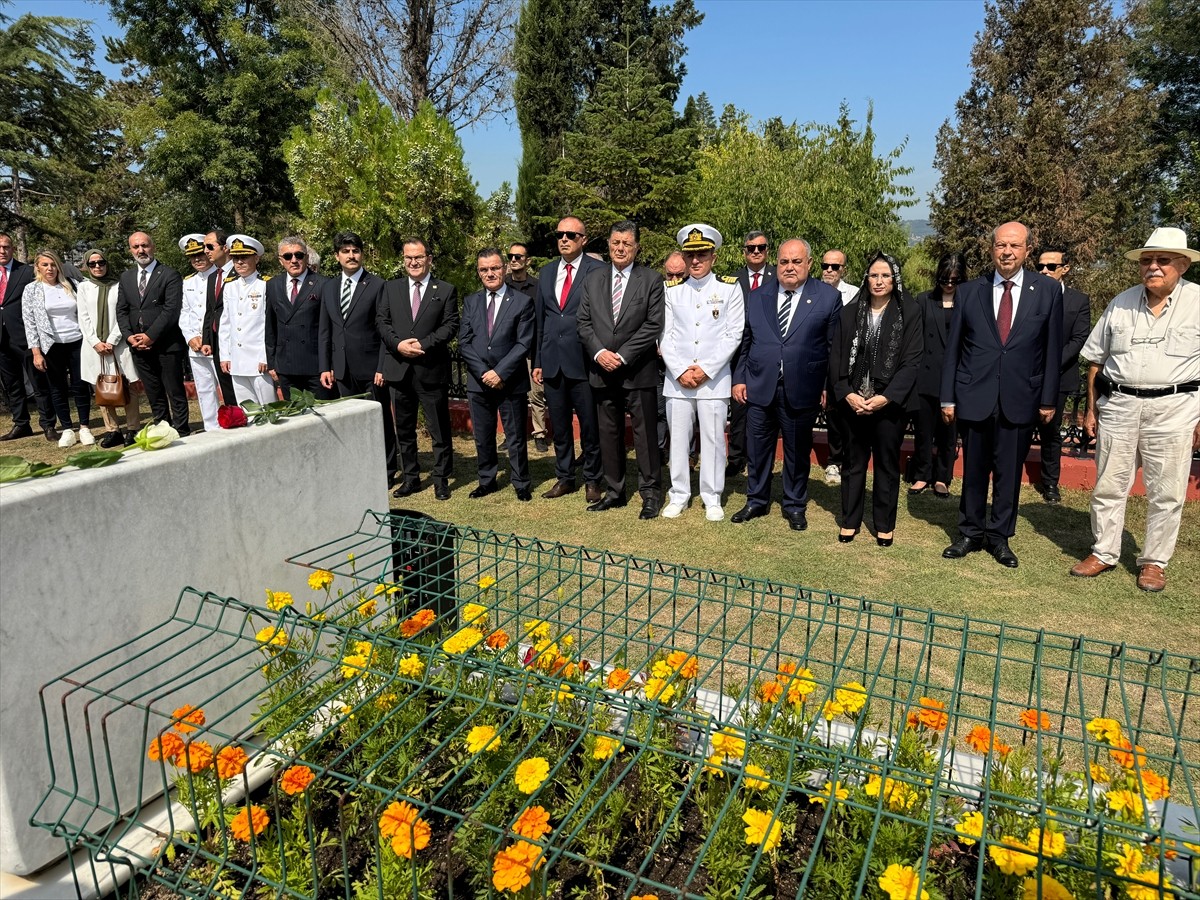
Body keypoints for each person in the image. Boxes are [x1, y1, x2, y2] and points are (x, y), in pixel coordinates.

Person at [1070, 227, 1200, 593]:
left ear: (1183, 265)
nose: (1153, 267)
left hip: (1174, 409)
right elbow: (1096, 361)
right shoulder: (1121, 302)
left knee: (1167, 492)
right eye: (1146, 260)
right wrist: (1092, 409)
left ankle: (1154, 562)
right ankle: (1104, 551)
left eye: (1163, 260)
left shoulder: (1198, 303)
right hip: (1119, 406)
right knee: (1109, 485)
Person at [941, 221, 1063, 569]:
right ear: (991, 249)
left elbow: (1052, 349)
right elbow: (954, 349)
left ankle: (999, 537)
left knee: (1009, 474)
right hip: (975, 395)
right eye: (1000, 245)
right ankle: (969, 532)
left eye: (1014, 246)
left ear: (1027, 250)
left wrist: (1048, 399)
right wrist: (948, 397)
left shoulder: (1047, 290)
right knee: (974, 470)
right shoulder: (969, 291)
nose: (1007, 252)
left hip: (1020, 396)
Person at [731, 239, 842, 531]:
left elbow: (834, 349)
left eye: (796, 261)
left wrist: (828, 386)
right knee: (757, 449)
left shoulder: (827, 297)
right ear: (776, 264)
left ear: (809, 263)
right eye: (784, 262)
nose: (789, 267)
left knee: (796, 451)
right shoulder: (758, 296)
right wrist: (739, 378)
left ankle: (794, 505)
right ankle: (756, 500)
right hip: (759, 385)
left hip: (803, 386)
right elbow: (746, 341)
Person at [830, 253, 922, 545]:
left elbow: (912, 362)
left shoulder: (910, 313)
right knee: (853, 462)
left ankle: (884, 524)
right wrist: (847, 393)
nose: (879, 281)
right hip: (854, 402)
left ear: (895, 279)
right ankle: (850, 520)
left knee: (886, 464)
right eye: (873, 275)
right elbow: (835, 357)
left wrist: (887, 397)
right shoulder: (849, 312)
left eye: (885, 276)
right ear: (866, 279)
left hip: (889, 405)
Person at [577, 220, 665, 518]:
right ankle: (614, 492)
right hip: (602, 370)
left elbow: (653, 324)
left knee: (645, 437)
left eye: (627, 243)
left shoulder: (651, 280)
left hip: (637, 370)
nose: (620, 248)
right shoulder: (593, 279)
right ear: (608, 245)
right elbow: (583, 322)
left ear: (636, 247)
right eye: (616, 242)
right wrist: (600, 353)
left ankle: (650, 493)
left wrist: (623, 355)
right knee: (609, 434)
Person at [660, 224, 745, 521]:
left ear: (713, 257)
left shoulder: (729, 288)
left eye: (702, 254)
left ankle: (712, 496)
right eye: (690, 255)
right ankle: (679, 494)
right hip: (678, 381)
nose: (695, 260)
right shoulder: (672, 291)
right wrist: (680, 370)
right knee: (678, 440)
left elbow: (734, 334)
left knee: (713, 441)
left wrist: (706, 370)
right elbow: (665, 336)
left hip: (714, 381)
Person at [378, 237, 458, 501]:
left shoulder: (445, 289)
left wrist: (422, 344)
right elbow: (382, 322)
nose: (413, 262)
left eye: (419, 257)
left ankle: (441, 479)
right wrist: (398, 344)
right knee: (404, 429)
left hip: (430, 369)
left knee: (438, 430)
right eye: (408, 257)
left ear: (429, 259)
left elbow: (450, 326)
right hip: (399, 369)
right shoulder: (391, 288)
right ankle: (411, 478)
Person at [533, 216, 604, 502]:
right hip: (553, 361)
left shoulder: (597, 270)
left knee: (589, 426)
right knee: (560, 426)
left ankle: (593, 480)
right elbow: (542, 319)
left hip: (584, 361)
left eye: (571, 235)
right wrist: (538, 360)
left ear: (583, 240)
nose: (564, 239)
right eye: (560, 234)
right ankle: (564, 478)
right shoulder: (547, 272)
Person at [318, 231, 397, 483]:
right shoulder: (329, 287)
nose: (351, 256)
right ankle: (358, 467)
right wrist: (325, 366)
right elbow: (325, 330)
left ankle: (387, 470)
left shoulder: (377, 285)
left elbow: (384, 330)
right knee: (350, 421)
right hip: (341, 369)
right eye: (345, 251)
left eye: (355, 251)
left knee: (379, 420)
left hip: (371, 368)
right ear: (336, 256)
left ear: (362, 254)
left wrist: (382, 366)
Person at [459, 248, 536, 501]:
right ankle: (487, 480)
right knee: (483, 436)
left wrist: (500, 373)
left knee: (515, 437)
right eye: (484, 269)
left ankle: (521, 482)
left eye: (494, 268)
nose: (490, 273)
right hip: (479, 382)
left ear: (504, 268)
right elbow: (464, 342)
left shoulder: (522, 302)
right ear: (478, 272)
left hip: (510, 382)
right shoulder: (471, 302)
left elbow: (523, 343)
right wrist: (485, 373)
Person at [1033, 245, 1092, 504]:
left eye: (1051, 266)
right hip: (1025, 375)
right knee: (1018, 427)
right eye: (1040, 266)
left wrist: (1050, 364)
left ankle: (1050, 484)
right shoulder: (1027, 295)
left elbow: (1078, 339)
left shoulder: (1078, 301)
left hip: (1058, 376)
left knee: (1051, 431)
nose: (1044, 271)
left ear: (1065, 269)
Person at [116, 231, 189, 433]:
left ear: (153, 247)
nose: (141, 250)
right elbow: (122, 310)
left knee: (174, 391)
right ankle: (162, 429)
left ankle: (182, 431)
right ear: (130, 250)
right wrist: (129, 337)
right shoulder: (126, 277)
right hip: (139, 347)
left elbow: (171, 310)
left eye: (145, 245)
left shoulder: (169, 275)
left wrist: (150, 336)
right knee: (153, 393)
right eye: (136, 247)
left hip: (166, 345)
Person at [22, 250, 93, 447]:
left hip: (77, 341)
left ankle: (84, 427)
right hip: (51, 345)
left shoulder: (73, 284)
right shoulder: (32, 290)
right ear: (37, 267)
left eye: (53, 265)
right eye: (45, 265)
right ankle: (68, 428)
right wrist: (36, 352)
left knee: (80, 385)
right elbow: (29, 323)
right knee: (57, 387)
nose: (50, 269)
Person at [911, 252, 967, 499]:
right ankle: (922, 474)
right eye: (945, 279)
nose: (949, 284)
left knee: (949, 432)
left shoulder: (968, 301)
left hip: (955, 375)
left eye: (955, 280)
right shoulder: (924, 300)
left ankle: (943, 477)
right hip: (926, 374)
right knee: (923, 430)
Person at [77, 248, 142, 446]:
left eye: (101, 262)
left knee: (128, 384)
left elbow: (124, 313)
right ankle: (112, 430)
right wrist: (96, 342)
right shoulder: (83, 287)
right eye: (92, 263)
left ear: (107, 263)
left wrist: (112, 340)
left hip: (119, 343)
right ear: (87, 266)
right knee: (102, 386)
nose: (97, 266)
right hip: (94, 346)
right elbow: (83, 317)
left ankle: (133, 428)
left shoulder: (119, 285)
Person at [0, 232, 57, 441]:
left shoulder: (26, 271)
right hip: (1, 340)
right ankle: (21, 424)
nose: (2, 251)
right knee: (12, 385)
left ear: (13, 249)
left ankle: (48, 424)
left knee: (39, 382)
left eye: (6, 246)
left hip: (26, 337)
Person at [727, 233, 776, 477]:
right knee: (738, 411)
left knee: (766, 411)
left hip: (767, 354)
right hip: (738, 355)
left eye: (761, 247)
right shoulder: (730, 280)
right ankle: (736, 458)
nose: (756, 251)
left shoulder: (778, 277)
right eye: (751, 248)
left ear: (768, 250)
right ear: (744, 251)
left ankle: (761, 459)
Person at [266, 236, 331, 400]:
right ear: (281, 260)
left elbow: (329, 329)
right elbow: (270, 327)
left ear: (306, 257)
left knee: (322, 413)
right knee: (294, 413)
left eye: (299, 255)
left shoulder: (323, 284)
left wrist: (328, 366)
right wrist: (272, 363)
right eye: (288, 256)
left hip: (316, 367)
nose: (294, 260)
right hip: (286, 366)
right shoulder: (273, 285)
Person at [217, 235, 277, 407]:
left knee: (269, 408)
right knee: (247, 409)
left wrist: (266, 356)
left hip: (258, 360)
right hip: (236, 360)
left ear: (256, 258)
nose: (239, 262)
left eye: (244, 257)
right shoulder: (230, 286)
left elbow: (270, 324)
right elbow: (225, 323)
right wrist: (225, 355)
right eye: (235, 258)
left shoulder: (266, 284)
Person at [819, 248, 859, 487]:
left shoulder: (854, 294)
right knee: (831, 413)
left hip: (847, 363)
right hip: (821, 361)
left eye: (835, 267)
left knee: (849, 414)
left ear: (843, 269)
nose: (829, 270)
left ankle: (850, 460)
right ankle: (834, 461)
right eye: (825, 266)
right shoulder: (813, 291)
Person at [504, 241, 548, 453]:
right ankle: (512, 435)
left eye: (518, 257)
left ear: (527, 261)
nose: (513, 260)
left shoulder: (538, 287)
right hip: (507, 351)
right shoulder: (502, 284)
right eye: (510, 256)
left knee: (536, 394)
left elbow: (542, 322)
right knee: (510, 395)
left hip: (530, 350)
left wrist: (539, 356)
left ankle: (539, 434)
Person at [178, 234, 221, 430]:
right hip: (196, 345)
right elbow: (184, 312)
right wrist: (190, 338)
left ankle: (233, 423)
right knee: (204, 389)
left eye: (200, 254)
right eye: (192, 256)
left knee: (227, 387)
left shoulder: (221, 277)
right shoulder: (188, 282)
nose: (197, 259)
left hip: (218, 344)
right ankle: (211, 427)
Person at [200, 229, 237, 407]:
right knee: (226, 389)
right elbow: (210, 311)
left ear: (225, 248)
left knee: (240, 389)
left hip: (236, 340)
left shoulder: (240, 272)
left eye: (210, 246)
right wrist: (207, 339)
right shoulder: (213, 277)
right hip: (217, 342)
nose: (205, 251)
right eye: (204, 247)